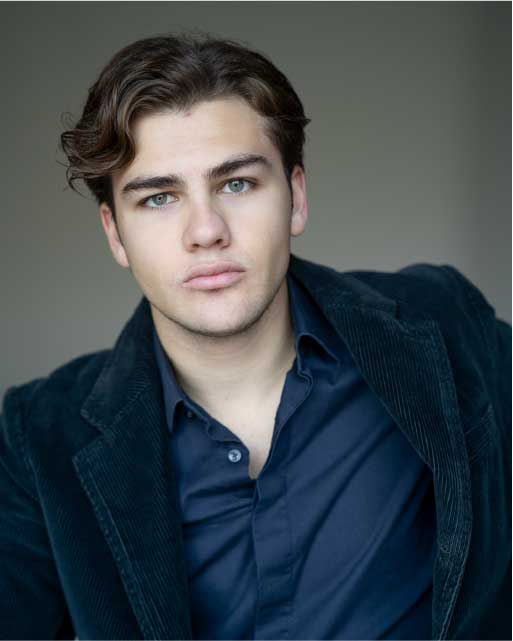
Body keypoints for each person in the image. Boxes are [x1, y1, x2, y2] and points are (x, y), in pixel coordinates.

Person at [0, 32, 510, 641]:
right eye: (159, 198)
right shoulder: (39, 438)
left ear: (296, 198)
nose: (206, 230)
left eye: (236, 184)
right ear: (115, 233)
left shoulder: (446, 327)